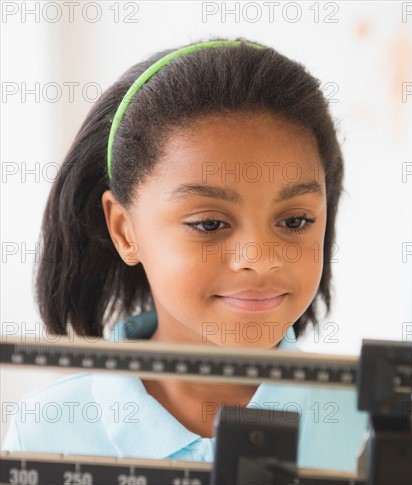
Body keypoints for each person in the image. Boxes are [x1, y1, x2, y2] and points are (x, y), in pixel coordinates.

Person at [2, 37, 368, 473]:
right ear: (124, 230)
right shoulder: (48, 432)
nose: (260, 257)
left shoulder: (367, 429)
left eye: (294, 222)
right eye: (210, 224)